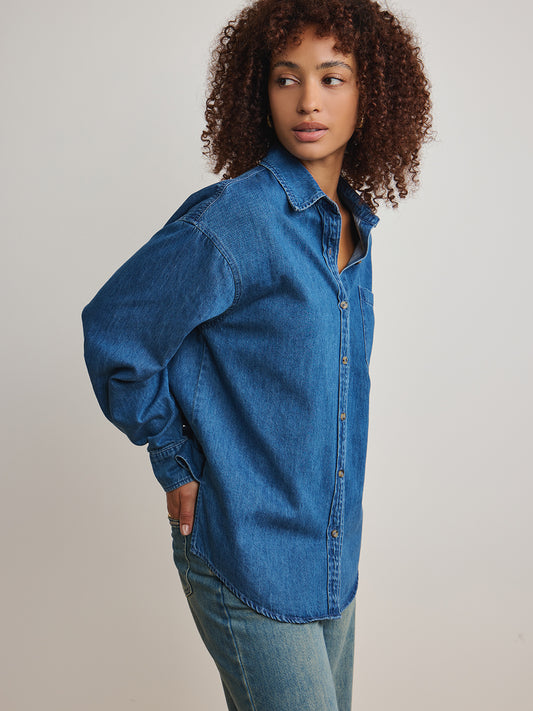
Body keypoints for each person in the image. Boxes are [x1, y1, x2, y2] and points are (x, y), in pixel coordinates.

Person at [82, 1, 432, 708]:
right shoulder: (234, 220)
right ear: (258, 91)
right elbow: (117, 331)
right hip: (243, 548)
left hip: (329, 556)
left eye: (332, 77)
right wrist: (173, 457)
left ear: (370, 93)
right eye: (286, 77)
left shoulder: (352, 225)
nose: (308, 101)